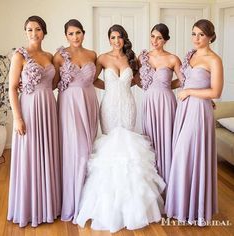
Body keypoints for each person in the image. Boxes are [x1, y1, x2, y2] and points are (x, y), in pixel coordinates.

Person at [76, 24, 165, 233]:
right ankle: (107, 205)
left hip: (127, 106)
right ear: (109, 39)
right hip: (108, 107)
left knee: (128, 149)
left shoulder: (131, 59)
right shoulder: (102, 59)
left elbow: (138, 81)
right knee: (111, 148)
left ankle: (133, 205)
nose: (117, 41)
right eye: (113, 37)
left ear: (125, 39)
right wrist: (111, 87)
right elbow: (92, 79)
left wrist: (125, 87)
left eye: (120, 37)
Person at [165, 19, 223, 226]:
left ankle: (193, 210)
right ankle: (183, 207)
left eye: (201, 34)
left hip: (198, 111)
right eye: (194, 34)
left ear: (210, 37)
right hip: (184, 109)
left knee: (186, 154)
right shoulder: (191, 55)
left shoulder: (214, 60)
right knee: (183, 155)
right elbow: (184, 80)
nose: (196, 38)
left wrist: (189, 92)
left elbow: (216, 91)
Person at [7, 15, 61, 227]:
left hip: (48, 107)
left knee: (47, 153)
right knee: (30, 155)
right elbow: (12, 88)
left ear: (44, 32)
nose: (33, 33)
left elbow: (53, 84)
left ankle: (48, 206)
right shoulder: (19, 56)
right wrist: (17, 118)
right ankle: (29, 208)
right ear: (26, 33)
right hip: (29, 110)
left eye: (37, 29)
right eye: (29, 30)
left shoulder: (49, 56)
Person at [53, 19, 99, 223]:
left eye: (78, 32)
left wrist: (120, 87)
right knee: (75, 150)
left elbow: (95, 80)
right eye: (70, 34)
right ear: (66, 36)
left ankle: (89, 200)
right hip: (69, 105)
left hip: (89, 102)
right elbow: (52, 83)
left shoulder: (92, 55)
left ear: (83, 33)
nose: (75, 37)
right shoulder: (59, 56)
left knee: (89, 150)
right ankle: (73, 201)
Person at [139, 23, 182, 193]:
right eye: (152, 36)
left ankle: (170, 186)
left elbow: (183, 80)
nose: (155, 41)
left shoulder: (173, 59)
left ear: (165, 40)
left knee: (167, 139)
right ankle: (152, 187)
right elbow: (135, 77)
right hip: (149, 102)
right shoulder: (142, 57)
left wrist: (165, 85)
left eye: (159, 38)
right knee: (150, 140)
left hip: (166, 102)